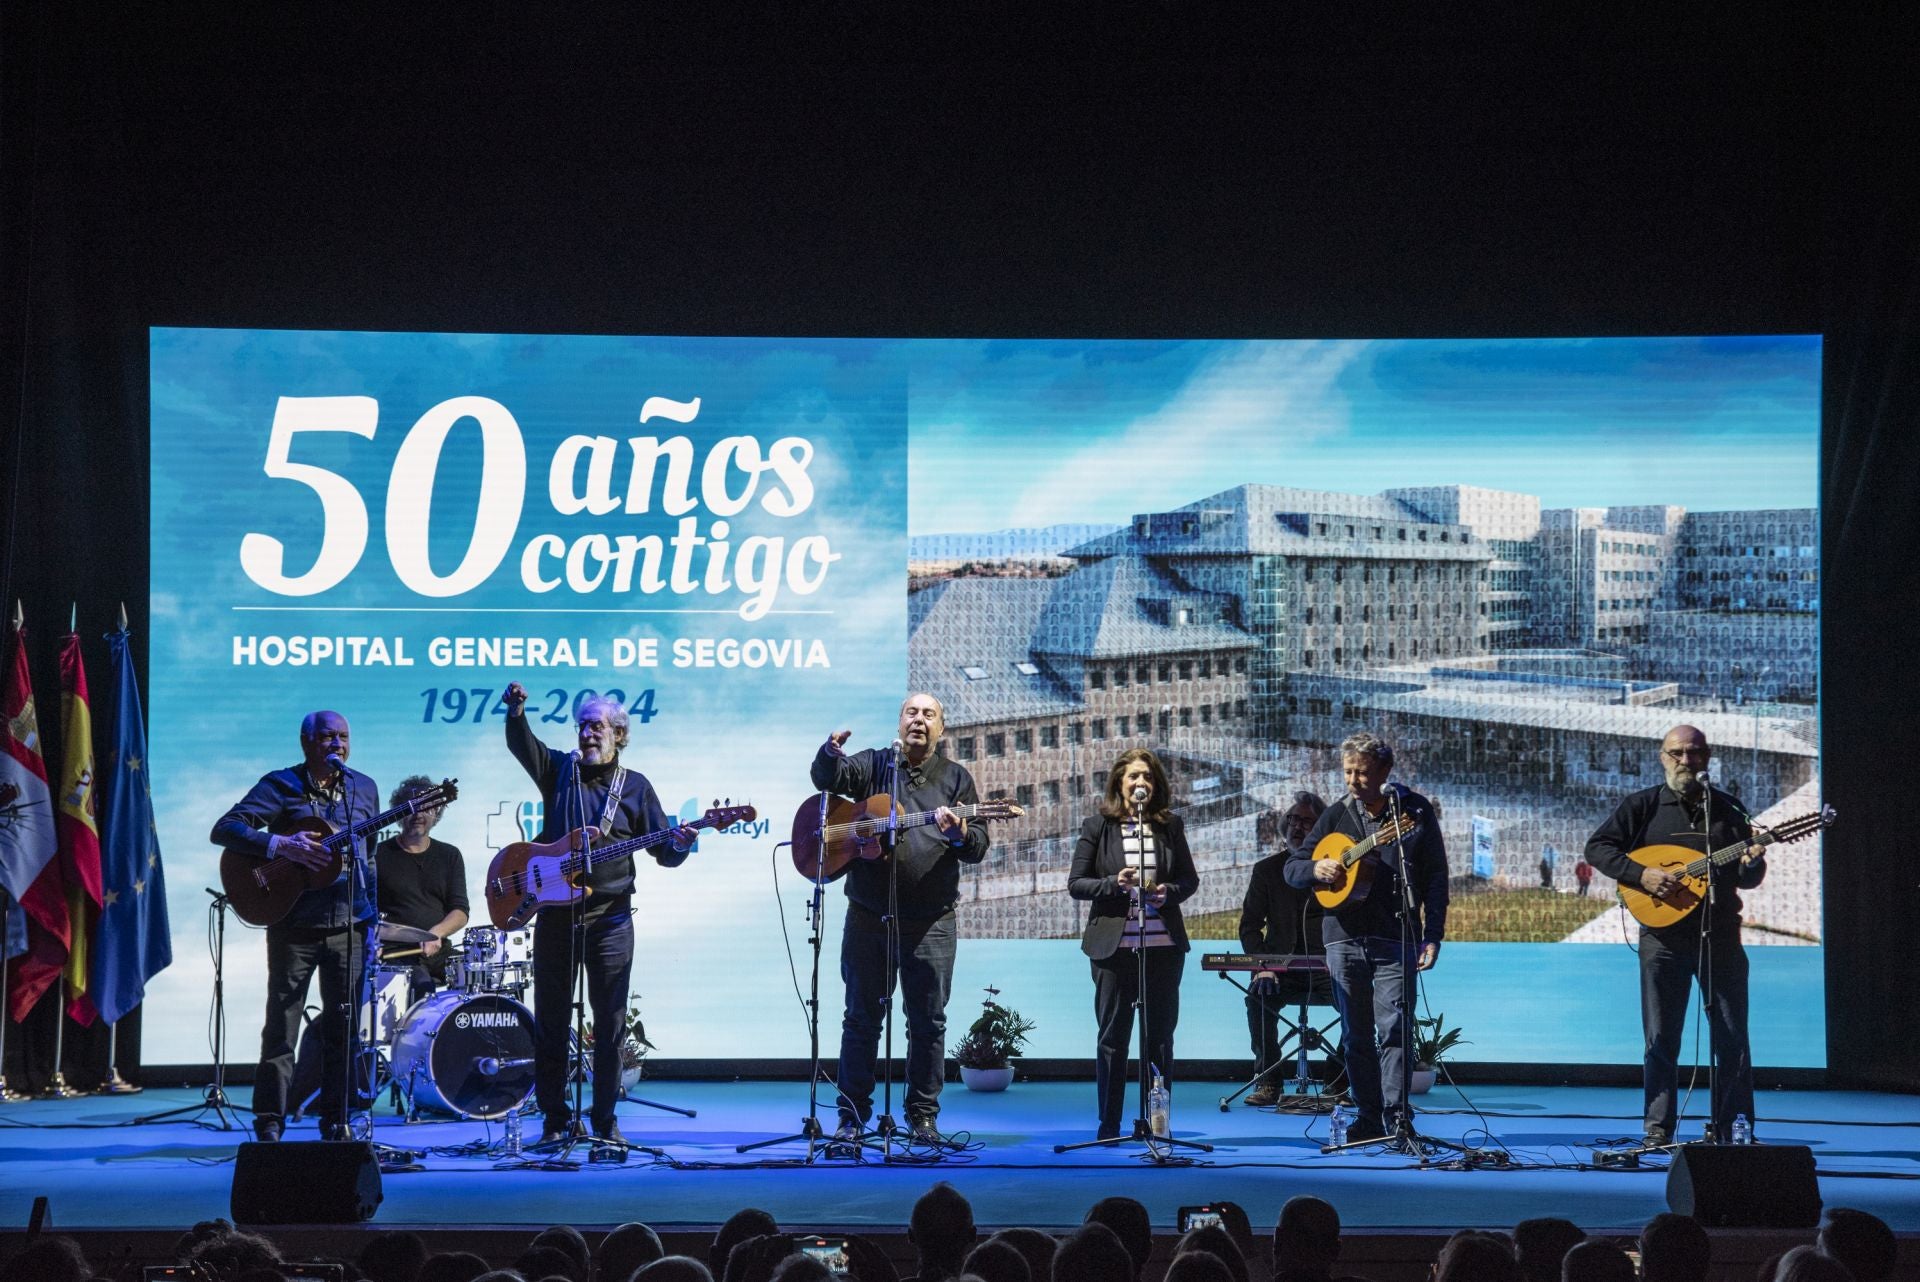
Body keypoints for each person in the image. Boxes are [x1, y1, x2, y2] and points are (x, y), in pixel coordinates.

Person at [504, 682, 694, 1146]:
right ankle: (553, 1119)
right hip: (555, 918)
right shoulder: (559, 771)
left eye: (598, 727)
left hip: (611, 919)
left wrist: (682, 843)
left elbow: (662, 852)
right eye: (583, 726)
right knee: (550, 1022)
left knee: (608, 1024)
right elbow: (521, 744)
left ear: (620, 735)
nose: (588, 734)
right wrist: (516, 711)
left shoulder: (636, 787)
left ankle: (605, 1120)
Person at [813, 692, 991, 1145]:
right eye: (912, 712)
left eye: (929, 715)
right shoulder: (875, 764)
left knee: (928, 1022)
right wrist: (830, 754)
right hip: (869, 917)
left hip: (932, 921)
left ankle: (922, 1118)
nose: (919, 720)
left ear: (941, 730)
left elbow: (978, 847)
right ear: (899, 722)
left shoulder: (956, 779)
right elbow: (827, 779)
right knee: (860, 1019)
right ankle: (851, 1117)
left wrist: (959, 834)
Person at [1584, 724, 1766, 1146]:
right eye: (1678, 753)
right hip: (1662, 941)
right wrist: (1641, 875)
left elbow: (1747, 877)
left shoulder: (1730, 810)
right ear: (1663, 757)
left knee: (1732, 1037)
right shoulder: (1643, 805)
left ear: (1708, 756)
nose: (1687, 761)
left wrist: (1753, 860)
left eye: (1695, 753)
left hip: (1721, 938)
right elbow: (1598, 848)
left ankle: (1734, 1127)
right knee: (1661, 1038)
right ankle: (1657, 1130)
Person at [212, 710, 378, 1142]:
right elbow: (225, 829)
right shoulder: (281, 784)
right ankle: (269, 1119)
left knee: (343, 1028)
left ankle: (336, 1119)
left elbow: (367, 852)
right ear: (306, 742)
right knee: (282, 1023)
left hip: (349, 923)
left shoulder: (364, 788)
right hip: (295, 924)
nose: (336, 744)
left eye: (343, 736)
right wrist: (279, 844)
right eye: (326, 736)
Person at [1284, 731, 1448, 1143]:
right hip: (1342, 936)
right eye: (1348, 772)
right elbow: (1294, 867)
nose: (1354, 781)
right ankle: (1368, 1117)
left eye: (1362, 772)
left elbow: (1435, 879)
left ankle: (1398, 1117)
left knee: (1395, 1027)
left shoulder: (1413, 811)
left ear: (1385, 771)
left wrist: (1433, 935)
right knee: (1355, 1033)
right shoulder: (1336, 815)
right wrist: (1317, 870)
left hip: (1396, 933)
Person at [1069, 750, 1200, 1140]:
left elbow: (1189, 881)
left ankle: (1156, 1124)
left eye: (1147, 777)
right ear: (1119, 783)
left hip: (1163, 947)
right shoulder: (1098, 826)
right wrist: (1113, 883)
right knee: (1113, 1037)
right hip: (1114, 950)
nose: (1140, 783)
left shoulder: (1170, 826)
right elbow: (1077, 884)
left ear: (1155, 785)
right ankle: (1109, 1124)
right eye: (1132, 778)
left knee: (1159, 1038)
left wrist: (1167, 892)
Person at [1238, 791, 1328, 1105]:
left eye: (1306, 821)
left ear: (1322, 829)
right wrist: (1262, 966)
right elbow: (1249, 926)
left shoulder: (1335, 871)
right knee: (1257, 999)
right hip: (1279, 968)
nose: (1296, 826)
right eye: (1292, 819)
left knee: (1362, 1002)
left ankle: (1338, 1084)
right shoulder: (1266, 870)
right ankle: (1269, 1082)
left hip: (1328, 968)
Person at [374, 774, 469, 1001]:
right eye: (410, 807)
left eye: (426, 807)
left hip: (439, 949)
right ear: (398, 812)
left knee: (484, 978)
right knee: (421, 985)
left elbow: (460, 911)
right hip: (397, 952)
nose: (418, 814)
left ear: (436, 813)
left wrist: (436, 933)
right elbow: (367, 910)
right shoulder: (378, 855)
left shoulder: (450, 855)